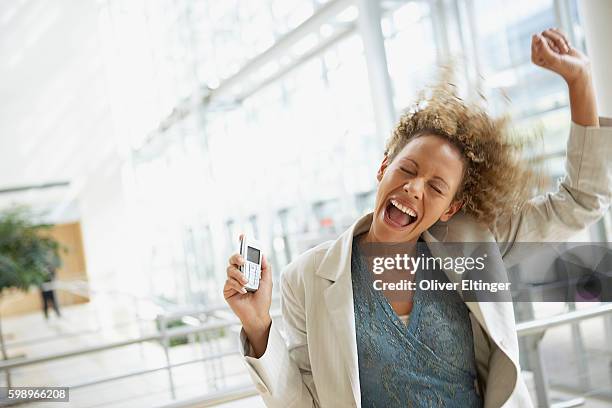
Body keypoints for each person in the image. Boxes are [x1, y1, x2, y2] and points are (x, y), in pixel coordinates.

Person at [223, 28, 612, 407]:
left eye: (436, 187)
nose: (414, 188)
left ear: (452, 207)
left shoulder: (473, 244)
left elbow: (581, 200)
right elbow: (304, 403)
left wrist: (580, 81)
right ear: (383, 167)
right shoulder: (306, 277)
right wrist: (259, 328)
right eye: (407, 170)